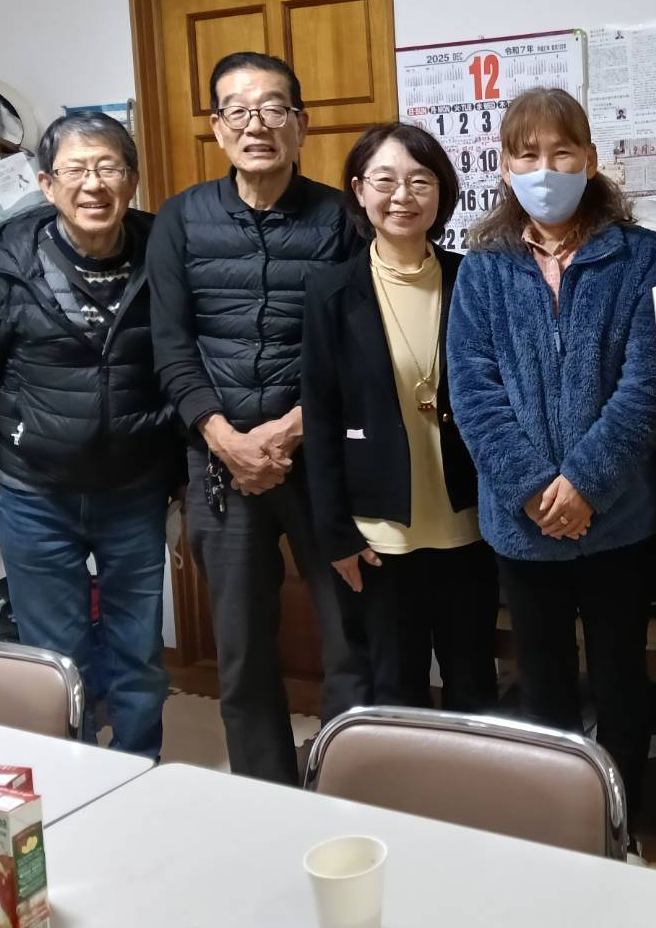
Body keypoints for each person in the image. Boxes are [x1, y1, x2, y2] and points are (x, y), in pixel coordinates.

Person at [447, 87, 656, 814]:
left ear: (590, 159)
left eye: (561, 152)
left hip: (617, 519)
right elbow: (473, 390)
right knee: (542, 688)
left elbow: (646, 386)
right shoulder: (483, 265)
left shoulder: (639, 254)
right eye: (527, 154)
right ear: (505, 166)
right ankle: (556, 825)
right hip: (522, 523)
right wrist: (535, 490)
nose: (545, 169)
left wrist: (584, 486)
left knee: (621, 682)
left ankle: (624, 826)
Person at [147, 50, 368, 784]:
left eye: (273, 109)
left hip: (324, 462)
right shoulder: (180, 219)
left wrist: (293, 428)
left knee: (350, 639)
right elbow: (171, 345)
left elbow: (361, 345)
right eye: (238, 111)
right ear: (217, 127)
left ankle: (346, 786)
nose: (257, 125)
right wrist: (224, 439)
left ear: (300, 124)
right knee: (241, 653)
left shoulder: (341, 219)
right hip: (220, 466)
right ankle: (266, 794)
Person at [0, 112, 177, 759]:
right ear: (47, 184)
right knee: (56, 658)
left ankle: (137, 767)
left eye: (108, 168)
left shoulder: (165, 254)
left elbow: (186, 368)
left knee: (139, 653)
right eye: (76, 170)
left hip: (134, 491)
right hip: (33, 494)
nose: (93, 184)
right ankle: (73, 773)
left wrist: (180, 477)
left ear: (132, 179)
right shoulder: (3, 268)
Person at [302, 123, 497, 712]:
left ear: (442, 193)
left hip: (470, 524)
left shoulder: (473, 279)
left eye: (420, 180)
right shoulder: (331, 292)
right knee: (394, 689)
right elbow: (320, 419)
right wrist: (335, 535)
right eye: (385, 180)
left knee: (474, 685)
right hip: (379, 533)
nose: (402, 196)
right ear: (359, 190)